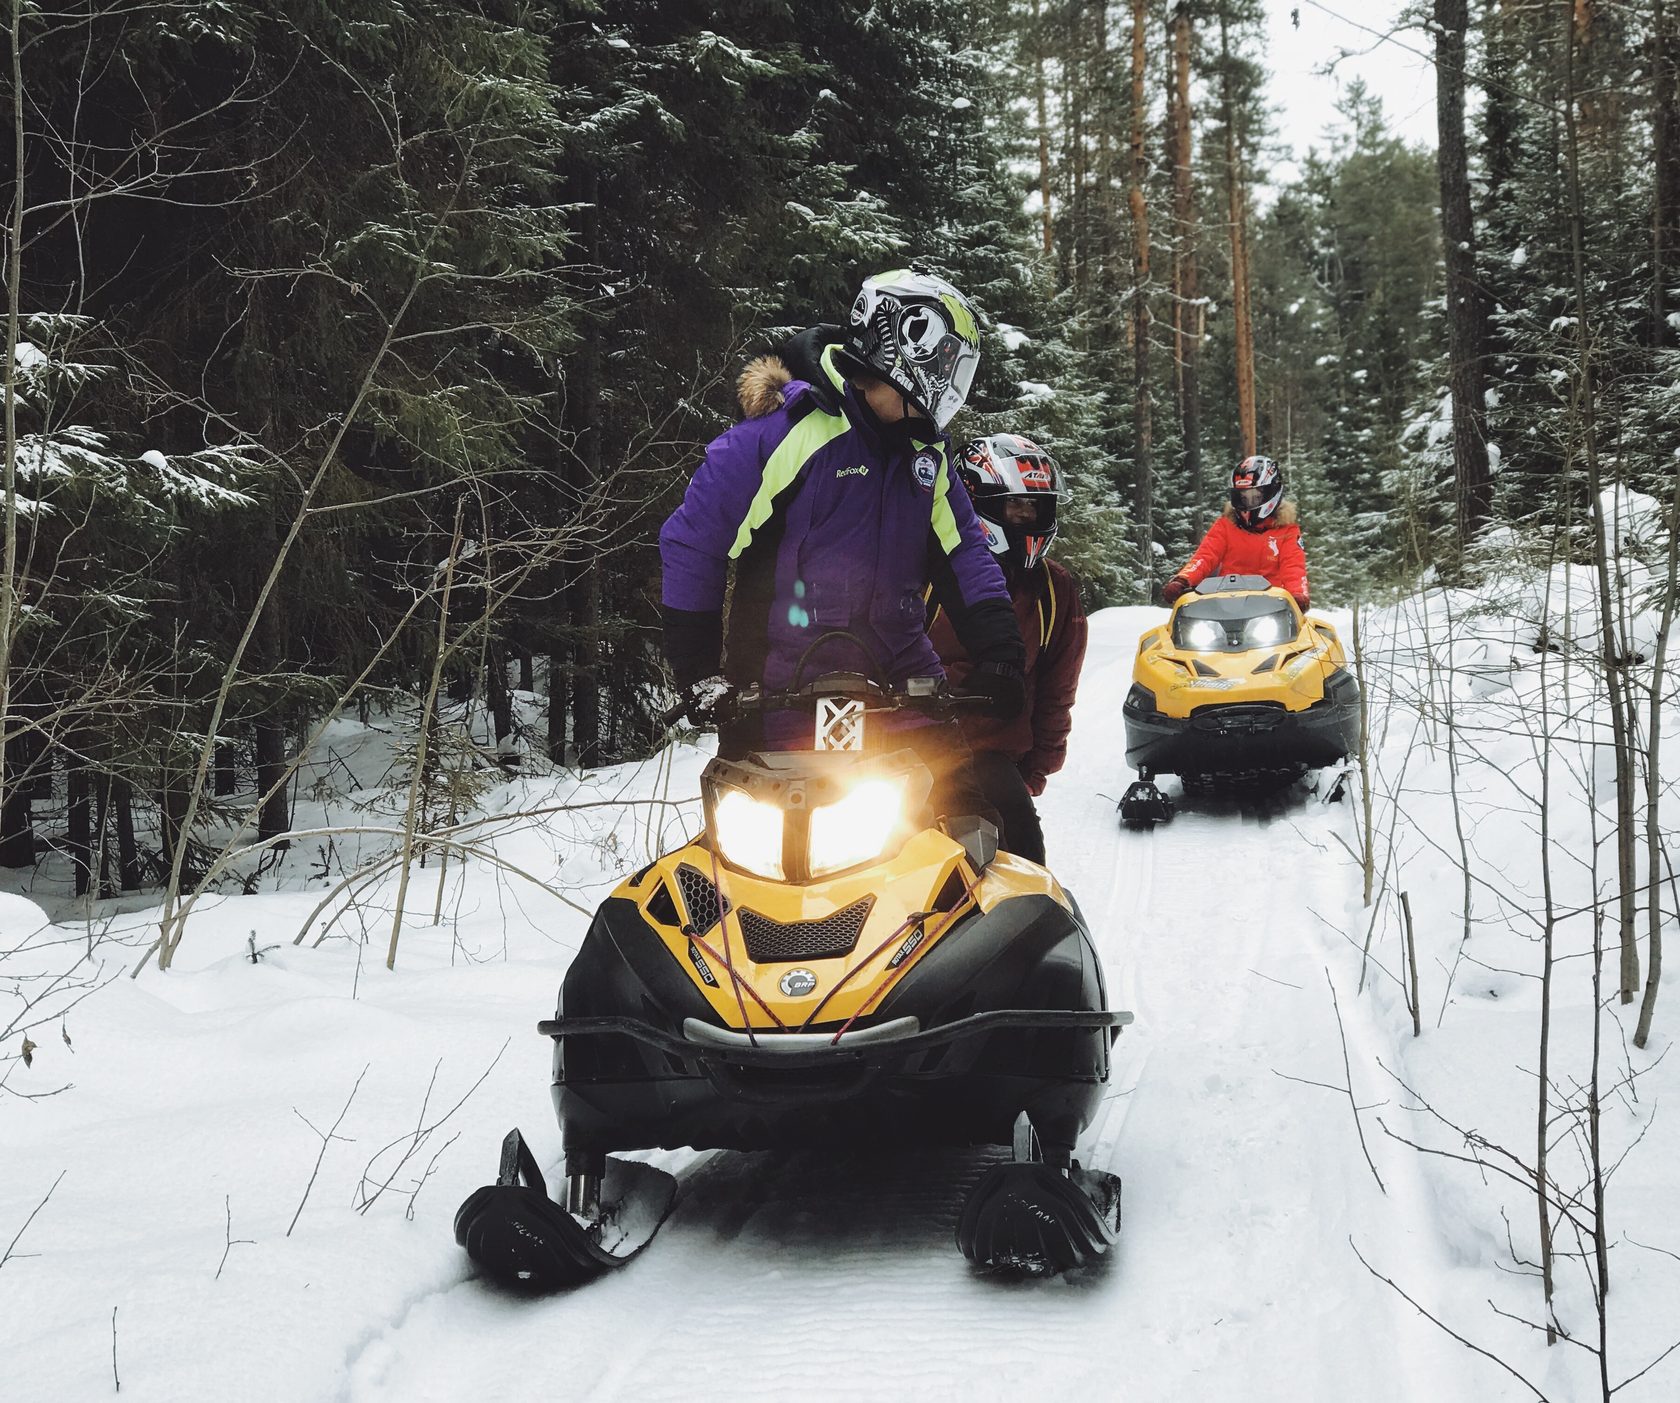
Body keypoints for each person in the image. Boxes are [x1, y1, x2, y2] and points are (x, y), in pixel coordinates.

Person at [658, 270, 1026, 826]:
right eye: (947, 365)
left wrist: (1001, 652)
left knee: (974, 835)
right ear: (906, 353)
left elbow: (964, 555)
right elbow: (693, 541)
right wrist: (697, 671)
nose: (952, 385)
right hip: (777, 701)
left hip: (903, 698)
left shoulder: (926, 456)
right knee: (747, 863)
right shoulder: (783, 435)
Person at [927, 434, 1087, 865]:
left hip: (990, 758)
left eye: (1035, 507)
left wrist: (1037, 766)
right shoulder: (923, 571)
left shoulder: (1053, 589)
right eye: (1015, 505)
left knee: (1025, 866)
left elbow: (1057, 686)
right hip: (905, 749)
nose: (1027, 516)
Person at [1162, 455, 1310, 609]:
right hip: (1225, 603)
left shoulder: (1287, 531)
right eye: (1243, 497)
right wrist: (1183, 580)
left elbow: (1293, 567)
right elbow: (1205, 556)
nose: (1249, 503)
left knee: (1309, 625)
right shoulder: (1226, 525)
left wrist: (1298, 594)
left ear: (1271, 493)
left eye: (1256, 496)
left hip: (1271, 607)